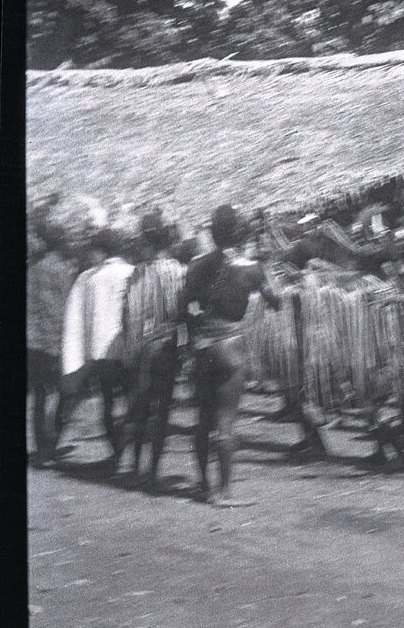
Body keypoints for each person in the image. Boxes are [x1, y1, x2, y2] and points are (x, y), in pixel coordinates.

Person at [182, 204, 282, 507]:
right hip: (231, 345)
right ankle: (224, 492)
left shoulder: (196, 265)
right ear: (240, 234)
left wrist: (190, 342)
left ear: (212, 233)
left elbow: (184, 307)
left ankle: (203, 485)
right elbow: (275, 301)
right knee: (226, 421)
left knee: (202, 420)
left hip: (202, 345)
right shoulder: (252, 269)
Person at [113, 213, 186, 487]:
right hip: (166, 348)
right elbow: (181, 312)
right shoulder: (176, 270)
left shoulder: (136, 273)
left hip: (141, 348)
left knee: (139, 408)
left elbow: (125, 313)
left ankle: (133, 467)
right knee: (162, 410)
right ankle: (153, 472)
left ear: (146, 241)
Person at [58, 227, 135, 462]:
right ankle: (129, 451)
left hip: (101, 354)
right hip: (128, 349)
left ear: (101, 250)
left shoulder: (88, 279)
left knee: (108, 402)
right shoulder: (132, 272)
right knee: (131, 400)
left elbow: (76, 318)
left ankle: (117, 452)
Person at [27, 219, 76, 466]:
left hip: (35, 342)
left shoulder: (32, 269)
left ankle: (41, 449)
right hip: (57, 342)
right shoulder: (64, 270)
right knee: (64, 394)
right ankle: (51, 445)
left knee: (39, 396)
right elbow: (69, 307)